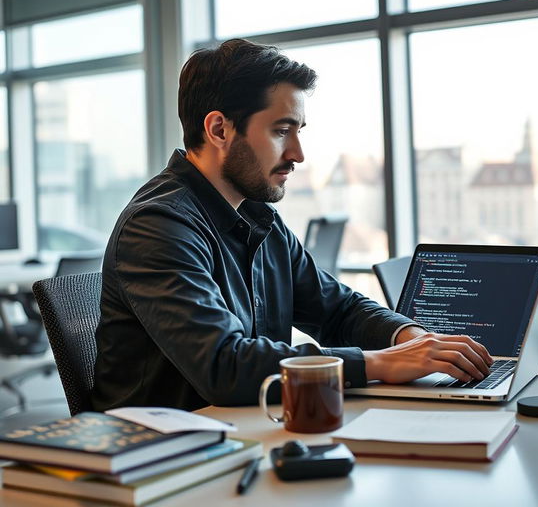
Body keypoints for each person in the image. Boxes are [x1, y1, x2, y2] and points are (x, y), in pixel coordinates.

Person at [91, 38, 492, 411]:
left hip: (246, 433)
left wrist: (411, 339)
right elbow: (224, 366)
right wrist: (379, 363)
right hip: (161, 458)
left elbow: (337, 310)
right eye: (282, 131)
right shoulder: (159, 225)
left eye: (298, 131)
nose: (298, 154)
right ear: (219, 129)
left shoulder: (257, 215)